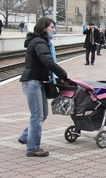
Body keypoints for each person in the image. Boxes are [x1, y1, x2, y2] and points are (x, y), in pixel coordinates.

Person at [18, 17, 69, 157]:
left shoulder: (42, 41)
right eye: (52, 27)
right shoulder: (39, 42)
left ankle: (25, 137)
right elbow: (48, 62)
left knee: (43, 114)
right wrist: (63, 75)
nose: (54, 30)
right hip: (32, 82)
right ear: (44, 28)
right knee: (37, 116)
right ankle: (33, 148)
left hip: (38, 81)